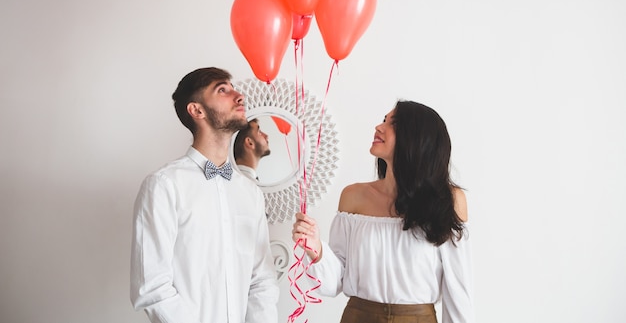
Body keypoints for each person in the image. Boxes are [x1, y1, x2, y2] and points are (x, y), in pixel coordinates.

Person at [292, 100, 474, 323]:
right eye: (384, 120)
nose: (379, 127)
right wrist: (316, 249)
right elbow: (333, 283)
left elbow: (458, 291)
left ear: (417, 137)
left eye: (393, 124)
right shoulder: (353, 197)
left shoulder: (449, 200)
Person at [130, 67, 279, 323]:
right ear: (197, 110)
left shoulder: (250, 193)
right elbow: (152, 287)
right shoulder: (164, 186)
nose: (239, 96)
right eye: (223, 90)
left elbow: (262, 280)